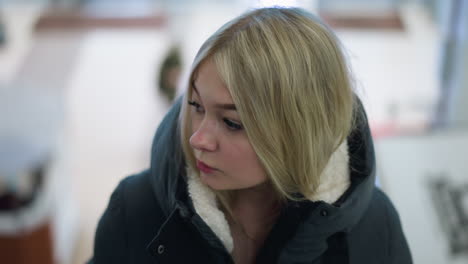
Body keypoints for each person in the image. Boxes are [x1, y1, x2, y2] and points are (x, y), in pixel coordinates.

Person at [89, 7, 412, 264]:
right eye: (196, 106)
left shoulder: (374, 226)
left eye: (231, 123)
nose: (198, 139)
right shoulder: (134, 208)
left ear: (299, 131)